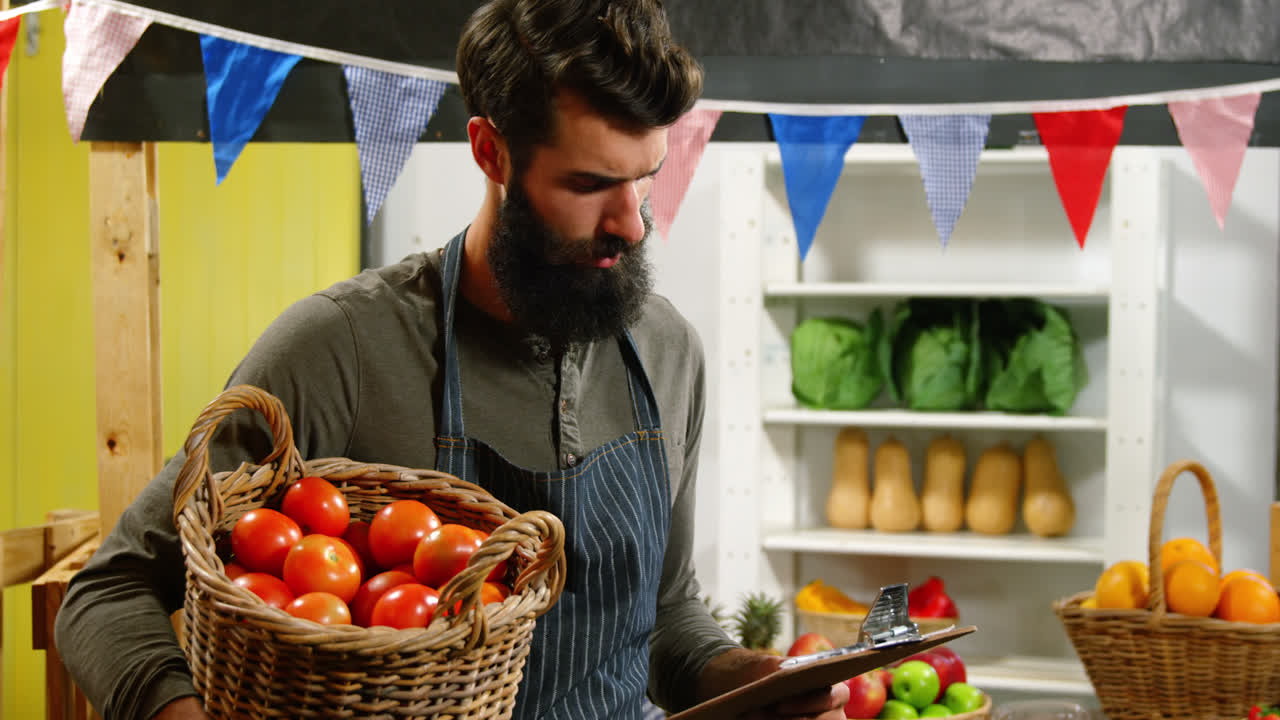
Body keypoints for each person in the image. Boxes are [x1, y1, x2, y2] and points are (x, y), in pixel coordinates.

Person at [54, 1, 850, 718]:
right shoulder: (343, 350)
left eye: (645, 179)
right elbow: (108, 592)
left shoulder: (669, 352)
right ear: (490, 152)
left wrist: (748, 679)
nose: (633, 225)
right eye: (590, 184)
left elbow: (665, 618)